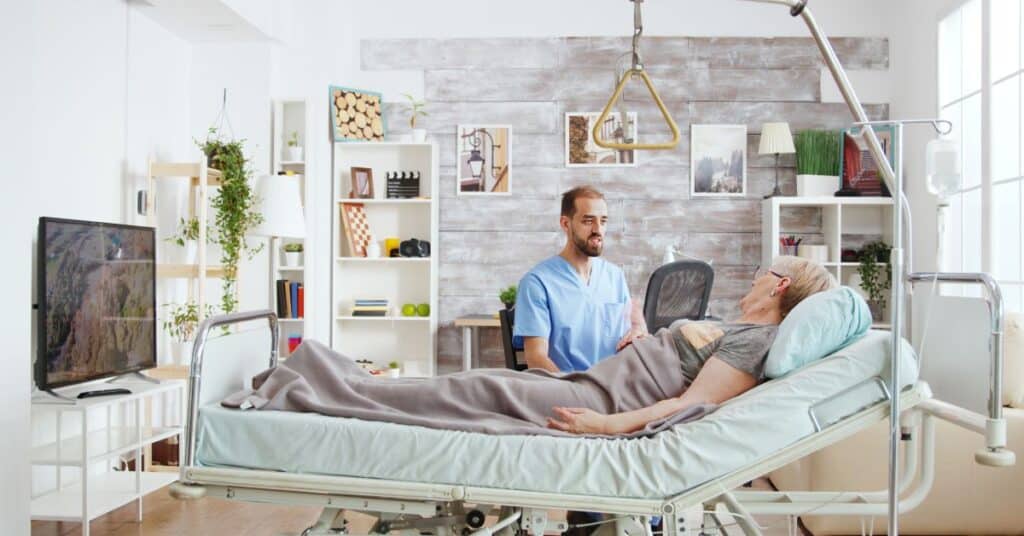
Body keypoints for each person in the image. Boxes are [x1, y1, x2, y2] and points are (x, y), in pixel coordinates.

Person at [226, 256, 838, 438]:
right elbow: (676, 370)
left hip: (592, 395)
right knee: (451, 390)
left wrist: (606, 425)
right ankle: (310, 376)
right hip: (587, 380)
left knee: (455, 392)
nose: (753, 276)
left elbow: (691, 404)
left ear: (778, 287)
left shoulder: (758, 340)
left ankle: (304, 385)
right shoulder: (739, 332)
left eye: (763, 272)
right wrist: (646, 339)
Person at [513, 186, 646, 373]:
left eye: (603, 221)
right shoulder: (537, 283)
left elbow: (632, 337)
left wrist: (639, 331)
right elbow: (536, 358)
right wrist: (577, 389)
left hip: (616, 389)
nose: (598, 229)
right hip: (567, 390)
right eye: (588, 221)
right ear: (566, 224)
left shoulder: (615, 276)